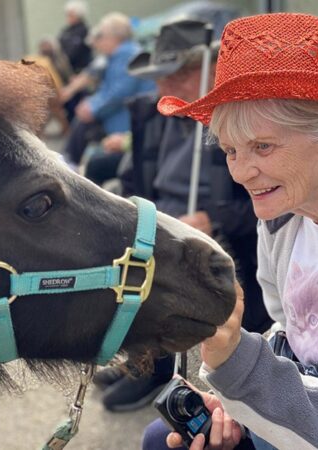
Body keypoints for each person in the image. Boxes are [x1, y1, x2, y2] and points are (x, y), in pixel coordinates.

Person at [144, 13, 318, 449]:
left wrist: (239, 367)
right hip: (314, 399)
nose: (242, 172)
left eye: (262, 146)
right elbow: (291, 331)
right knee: (165, 439)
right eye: (230, 150)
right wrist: (232, 401)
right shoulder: (284, 213)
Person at [93, 19, 271, 413]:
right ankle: (142, 358)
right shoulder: (156, 114)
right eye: (159, 77)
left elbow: (270, 210)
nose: (162, 88)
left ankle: (159, 371)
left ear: (208, 71)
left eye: (175, 75)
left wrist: (212, 218)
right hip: (161, 216)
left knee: (161, 273)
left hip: (220, 236)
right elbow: (133, 176)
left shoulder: (241, 124)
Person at [63, 12, 155, 166]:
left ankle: (70, 165)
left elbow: (119, 93)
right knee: (81, 125)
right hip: (122, 122)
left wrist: (91, 107)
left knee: (84, 132)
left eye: (102, 35)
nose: (99, 40)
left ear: (114, 37)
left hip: (126, 128)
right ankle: (70, 163)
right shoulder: (121, 54)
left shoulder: (127, 54)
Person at [59, 0, 93, 74]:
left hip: (80, 70)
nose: (68, 17)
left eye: (71, 14)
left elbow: (74, 51)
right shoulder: (66, 31)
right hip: (67, 70)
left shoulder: (84, 30)